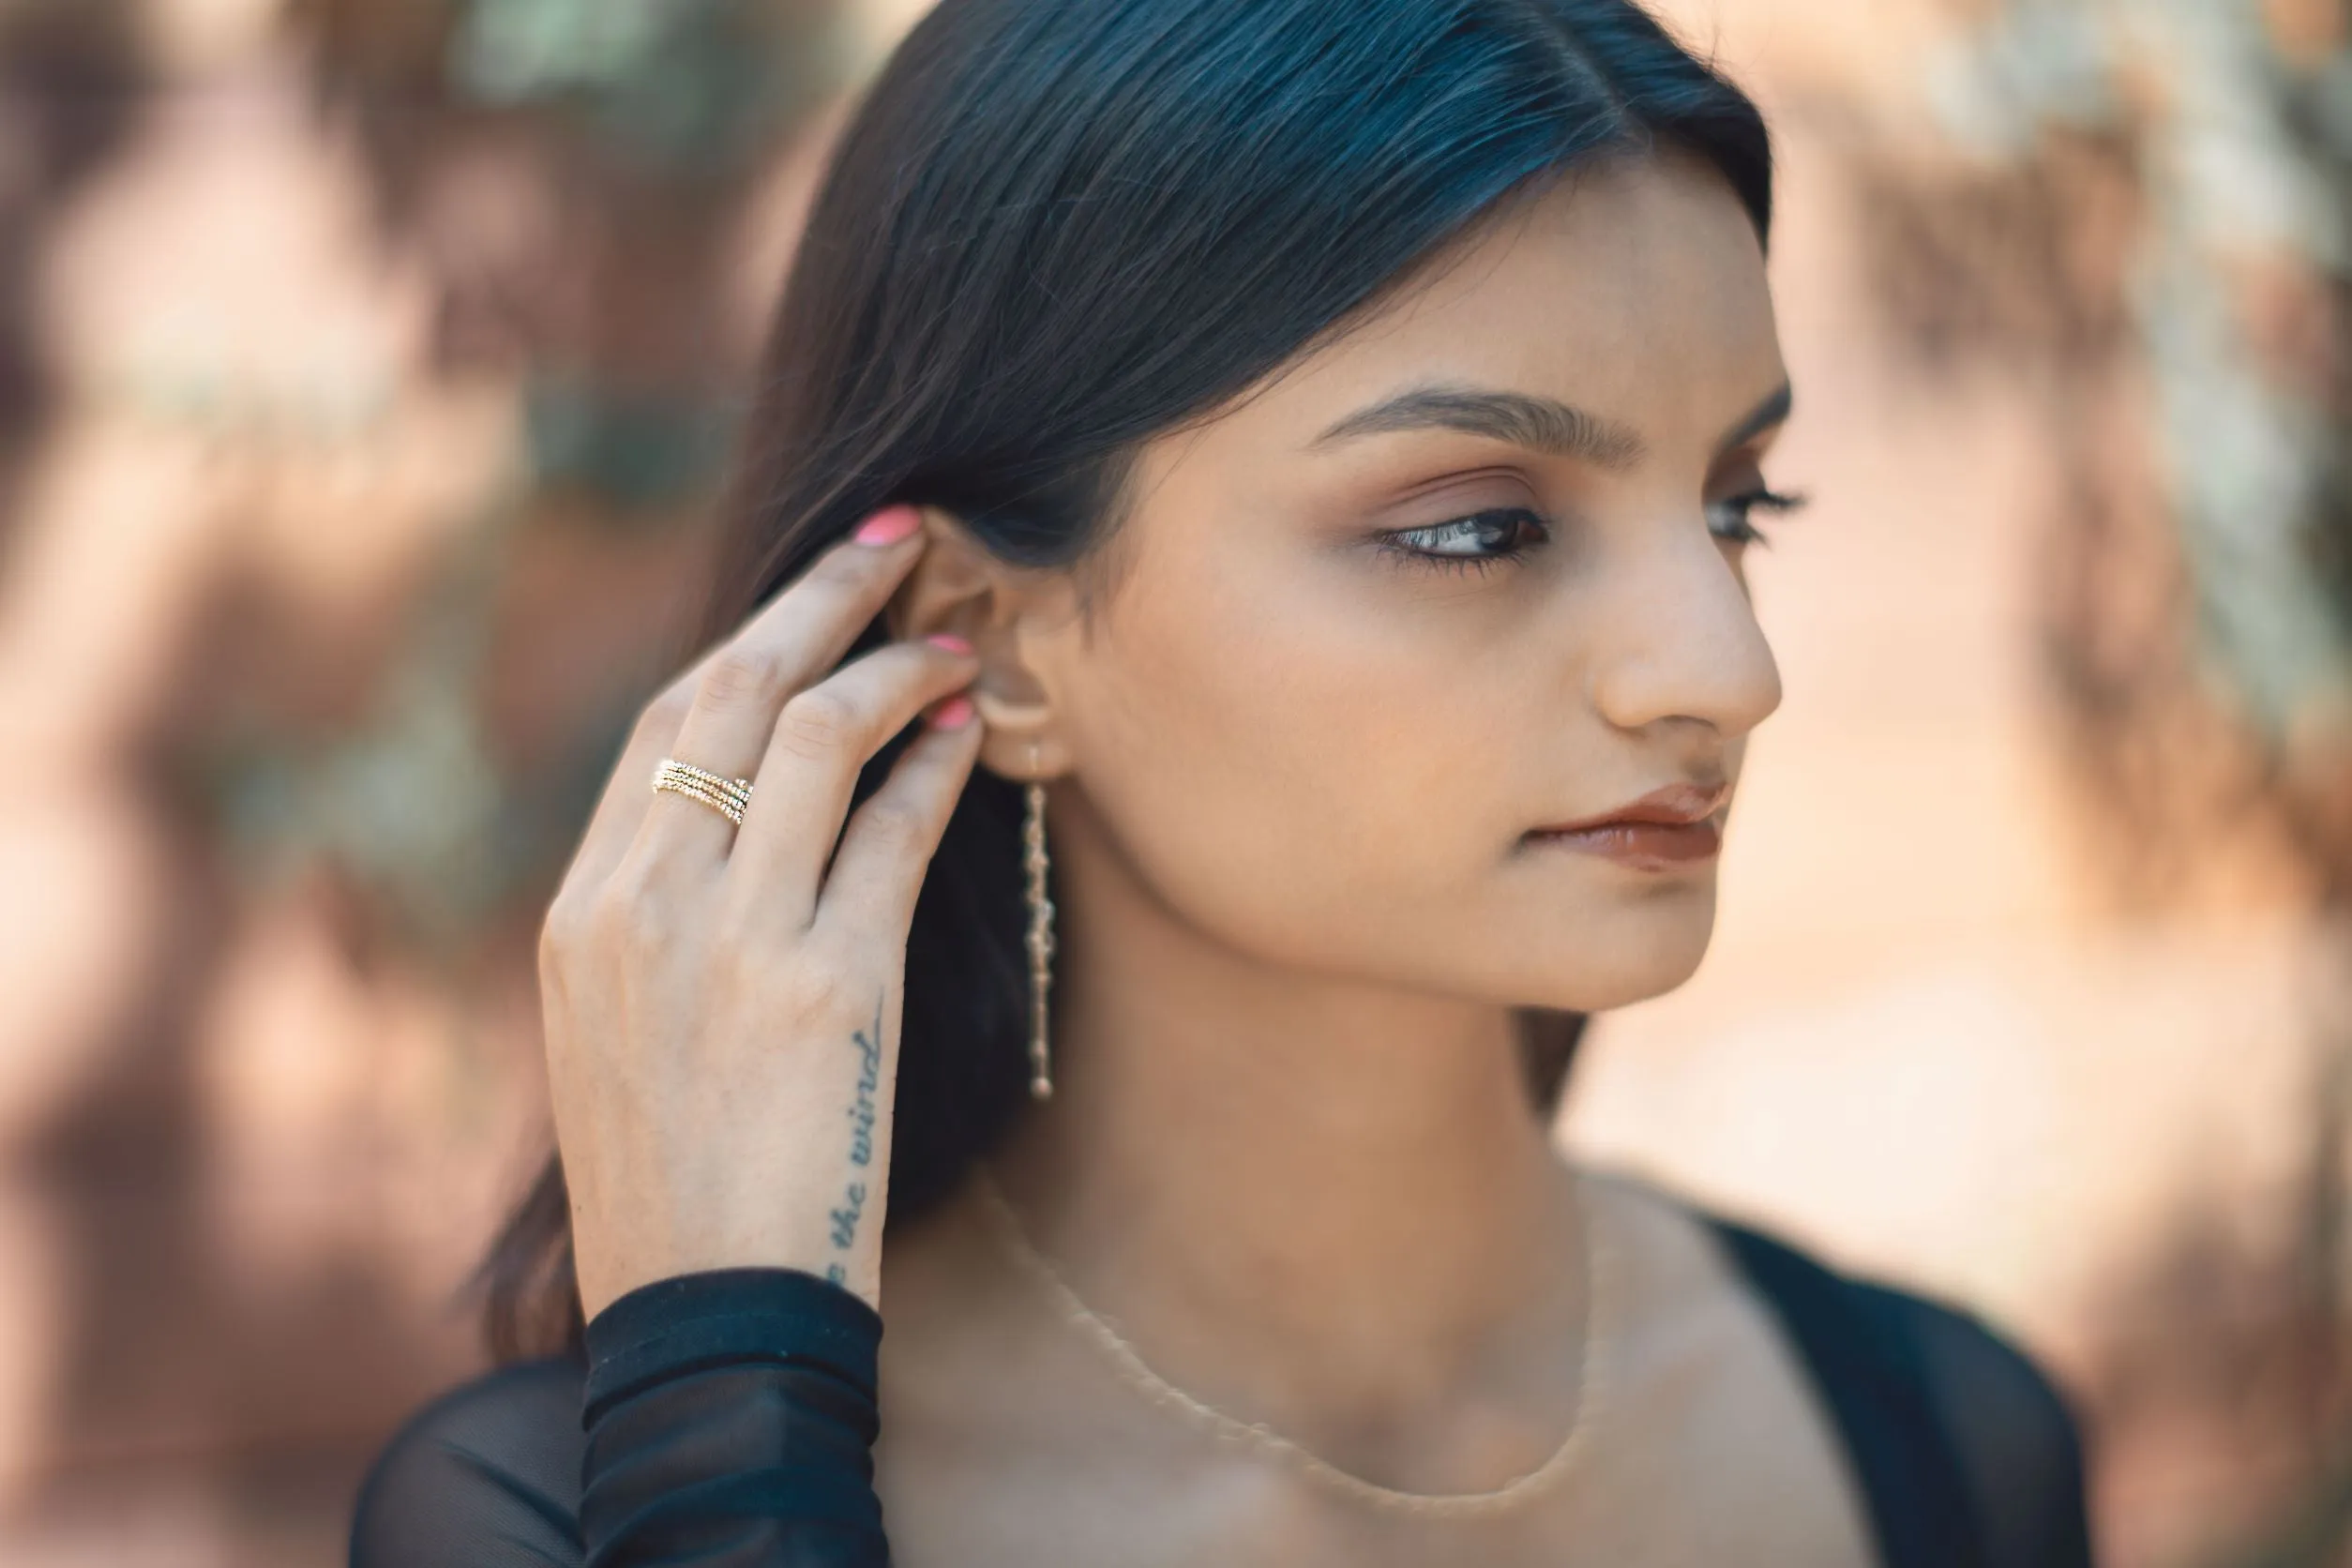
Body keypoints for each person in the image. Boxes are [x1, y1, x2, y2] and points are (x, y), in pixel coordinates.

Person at [347, 0, 2096, 1563]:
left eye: (1736, 507)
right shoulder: (564, 1522)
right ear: (993, 640)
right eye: (1480, 527)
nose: (1728, 671)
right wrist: (731, 1439)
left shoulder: (1944, 1442)